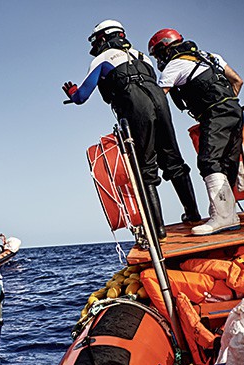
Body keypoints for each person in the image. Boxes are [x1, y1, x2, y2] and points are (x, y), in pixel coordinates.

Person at [62, 20, 201, 241]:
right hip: (158, 101)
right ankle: (193, 214)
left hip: (135, 106)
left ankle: (158, 229)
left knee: (144, 167)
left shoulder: (102, 59)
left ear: (103, 38)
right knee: (173, 158)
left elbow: (81, 97)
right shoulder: (142, 56)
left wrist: (71, 91)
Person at [148, 28, 244, 236]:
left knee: (208, 160)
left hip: (215, 114)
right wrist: (226, 105)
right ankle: (226, 214)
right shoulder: (210, 57)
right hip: (235, 110)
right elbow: (237, 81)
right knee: (226, 163)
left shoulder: (174, 65)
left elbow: (157, 100)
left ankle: (223, 217)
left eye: (157, 54)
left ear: (164, 49)